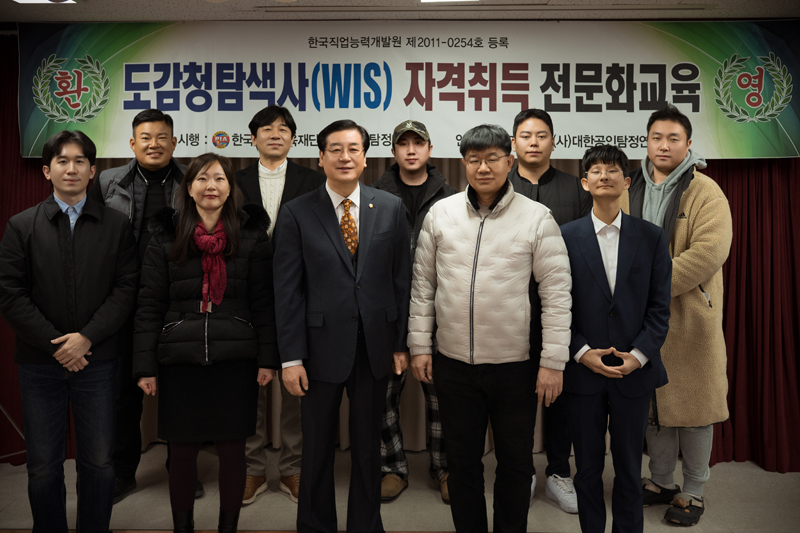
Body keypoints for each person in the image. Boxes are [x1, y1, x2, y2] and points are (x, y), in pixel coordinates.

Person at [408, 124, 572, 533]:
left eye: (493, 159)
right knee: (461, 463)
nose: (483, 168)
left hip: (514, 367)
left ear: (510, 161)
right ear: (463, 163)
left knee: (515, 465)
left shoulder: (537, 218)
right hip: (452, 364)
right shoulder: (440, 214)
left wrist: (552, 362)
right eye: (474, 159)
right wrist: (420, 346)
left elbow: (556, 294)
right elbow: (423, 285)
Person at [273, 119, 411, 533]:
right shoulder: (297, 212)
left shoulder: (390, 207)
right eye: (335, 149)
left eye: (353, 149)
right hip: (317, 349)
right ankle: (315, 526)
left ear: (365, 158)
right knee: (316, 447)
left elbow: (402, 281)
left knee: (368, 447)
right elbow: (287, 291)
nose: (345, 157)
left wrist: (400, 343)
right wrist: (291, 358)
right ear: (320, 158)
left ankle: (365, 526)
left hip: (374, 346)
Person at [0, 130, 139, 533]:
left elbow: (126, 289)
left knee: (98, 461)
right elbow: (10, 294)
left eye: (80, 161)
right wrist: (57, 345)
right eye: (62, 161)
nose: (71, 168)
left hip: (98, 361)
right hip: (39, 363)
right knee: (44, 464)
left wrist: (86, 338)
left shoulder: (116, 226)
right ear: (47, 170)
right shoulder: (20, 226)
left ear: (93, 170)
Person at [133, 153, 279, 533]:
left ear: (231, 188)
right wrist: (145, 366)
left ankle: (227, 528)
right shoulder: (166, 235)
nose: (210, 186)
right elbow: (149, 305)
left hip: (236, 357)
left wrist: (268, 359)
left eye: (218, 178)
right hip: (180, 358)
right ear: (189, 187)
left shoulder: (251, 235)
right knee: (182, 452)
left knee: (233, 451)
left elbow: (264, 302)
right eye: (201, 179)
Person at [623, 104, 733, 527]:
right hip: (639, 317)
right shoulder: (629, 185)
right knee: (655, 404)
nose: (664, 145)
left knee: (696, 407)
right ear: (647, 142)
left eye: (673, 138)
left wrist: (648, 285)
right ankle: (661, 481)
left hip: (690, 317)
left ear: (688, 144)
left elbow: (708, 253)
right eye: (657, 137)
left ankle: (694, 491)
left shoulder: (705, 190)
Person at [560, 144, 671, 533]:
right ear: (584, 182)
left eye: (612, 170)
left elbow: (660, 307)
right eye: (596, 170)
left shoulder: (652, 237)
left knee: (628, 467)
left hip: (634, 373)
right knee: (587, 467)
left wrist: (638, 356)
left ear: (626, 182)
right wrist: (581, 352)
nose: (604, 175)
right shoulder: (564, 236)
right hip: (582, 372)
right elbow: (554, 305)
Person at [88, 108, 190, 503]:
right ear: (132, 143)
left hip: (176, 298)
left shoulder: (191, 180)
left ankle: (181, 470)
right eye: (145, 138)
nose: (154, 144)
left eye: (162, 137)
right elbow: (93, 237)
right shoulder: (108, 181)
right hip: (123, 299)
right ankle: (122, 472)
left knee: (180, 390)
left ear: (174, 142)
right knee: (122, 393)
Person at [236, 104, 325, 506]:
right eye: (267, 129)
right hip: (246, 293)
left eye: (284, 129)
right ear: (253, 138)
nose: (275, 134)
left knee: (295, 381)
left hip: (299, 291)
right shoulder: (233, 181)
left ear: (293, 139)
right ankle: (252, 469)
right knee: (248, 383)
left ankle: (292, 467)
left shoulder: (313, 180)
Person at [508, 108, 592, 513]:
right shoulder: (498, 185)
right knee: (516, 400)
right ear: (513, 144)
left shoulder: (576, 188)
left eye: (542, 135)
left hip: (561, 311)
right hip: (510, 312)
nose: (534, 142)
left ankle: (559, 472)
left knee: (562, 398)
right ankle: (521, 470)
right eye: (526, 136)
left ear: (554, 143)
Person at [372, 120, 455, 503]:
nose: (410, 149)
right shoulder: (372, 196)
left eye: (417, 143)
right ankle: (392, 468)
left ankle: (445, 468)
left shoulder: (451, 196)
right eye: (402, 143)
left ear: (429, 149)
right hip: (386, 312)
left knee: (442, 397)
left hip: (438, 312)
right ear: (393, 151)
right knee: (383, 397)